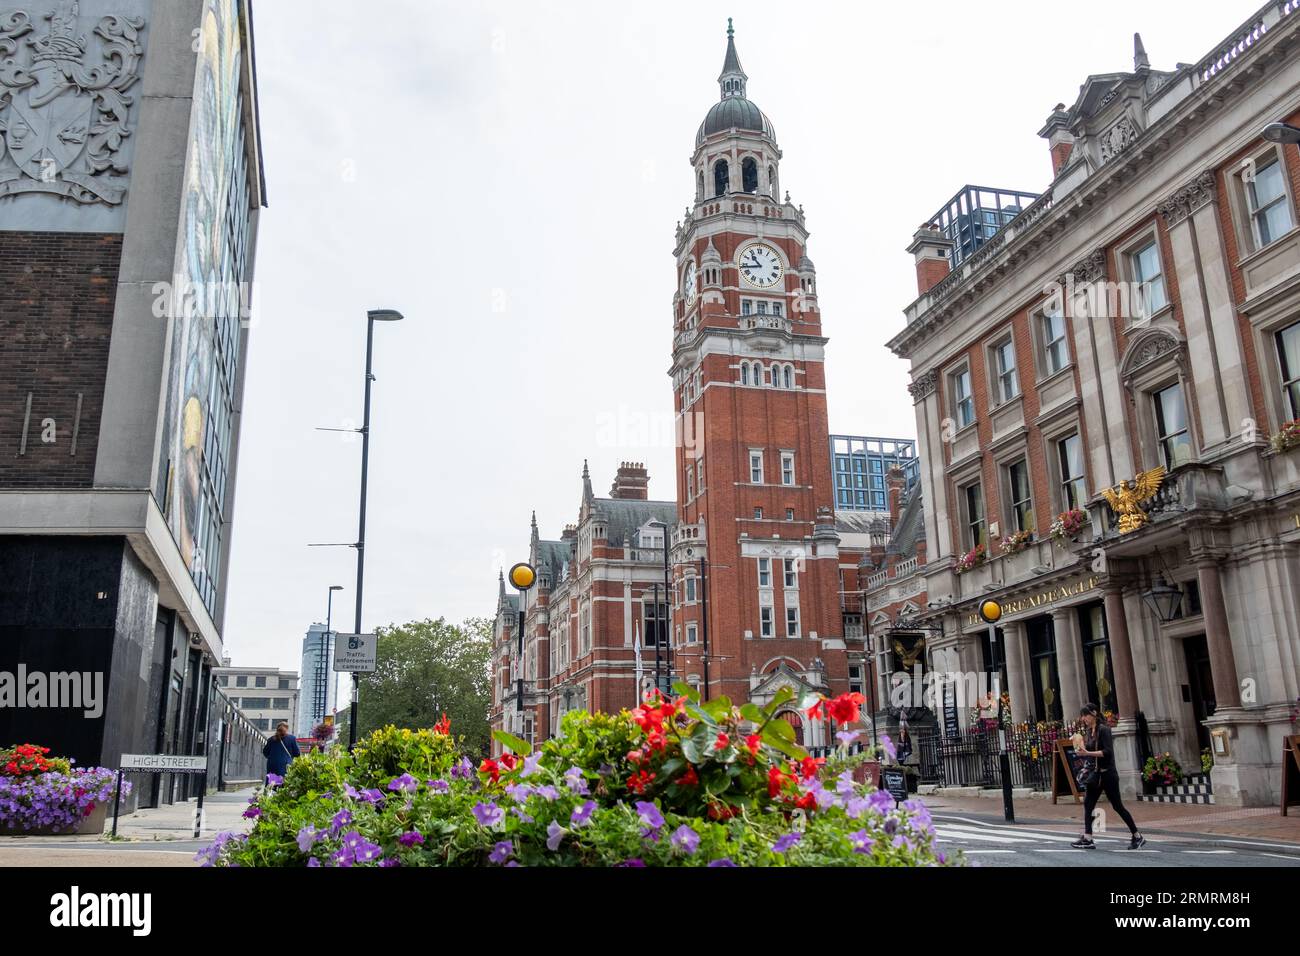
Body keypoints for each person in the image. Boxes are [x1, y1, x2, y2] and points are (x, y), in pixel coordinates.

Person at [1071, 703, 1145, 850]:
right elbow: (1089, 751)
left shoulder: (1104, 730)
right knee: (1088, 804)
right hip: (1095, 775)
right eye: (1082, 716)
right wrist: (1080, 749)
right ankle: (1088, 838)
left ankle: (1137, 836)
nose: (1083, 718)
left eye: (1085, 715)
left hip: (1108, 775)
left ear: (1093, 713)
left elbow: (1108, 752)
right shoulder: (1088, 731)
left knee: (1118, 806)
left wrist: (1087, 753)